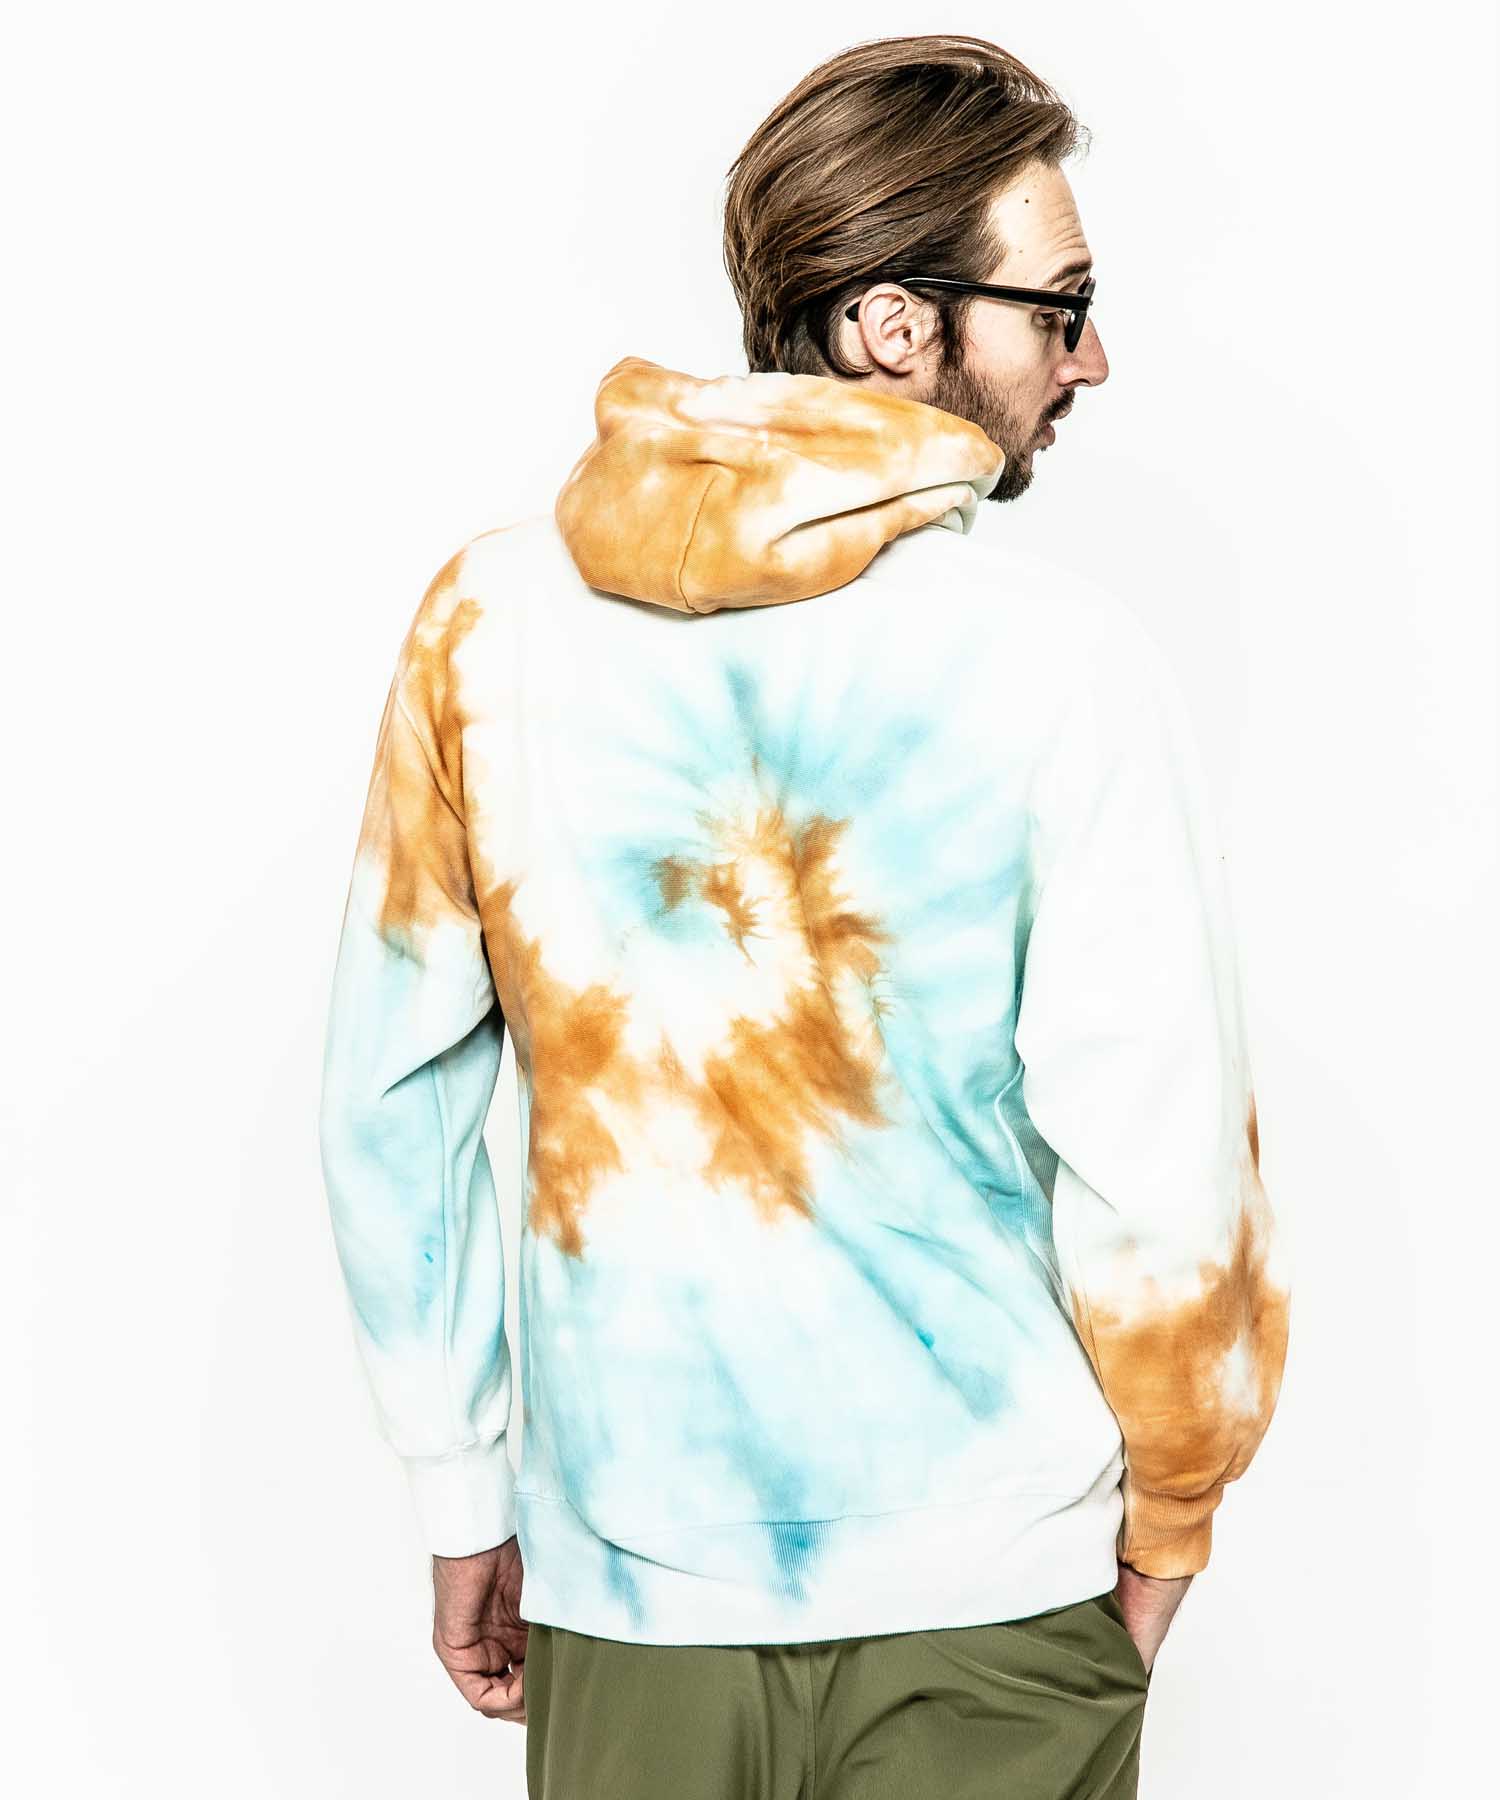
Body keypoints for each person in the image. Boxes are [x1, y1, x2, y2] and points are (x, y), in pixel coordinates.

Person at [317, 32, 1290, 1800]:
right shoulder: (1063, 666)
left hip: (632, 1583)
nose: (1090, 358)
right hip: (994, 1597)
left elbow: (394, 1102)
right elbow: (1161, 1171)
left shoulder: (484, 627)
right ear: (897, 327)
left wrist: (463, 1493)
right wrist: (1169, 1529)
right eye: (1061, 307)